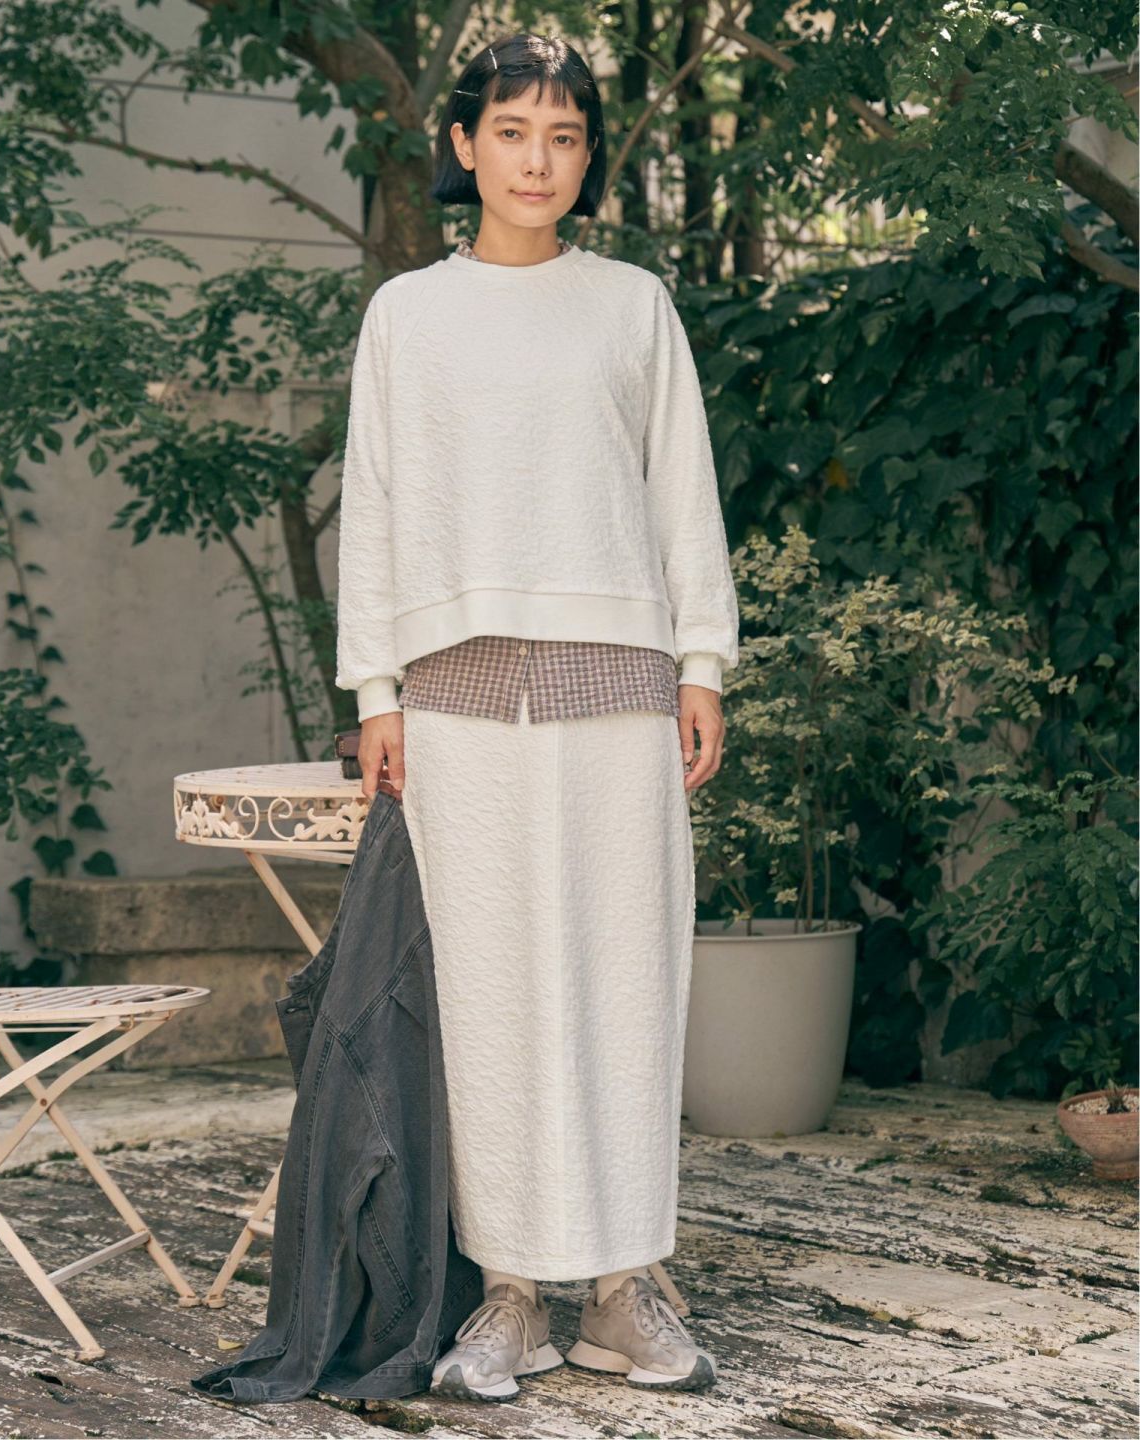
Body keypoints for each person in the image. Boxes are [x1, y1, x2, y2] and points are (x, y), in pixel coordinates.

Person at [335, 30, 739, 1402]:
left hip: (621, 686)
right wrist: (375, 690)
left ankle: (625, 1290)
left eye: (564, 136)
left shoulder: (633, 305)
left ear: (587, 156)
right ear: (464, 145)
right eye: (511, 131)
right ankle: (509, 1294)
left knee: (629, 980)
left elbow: (683, 488)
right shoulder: (408, 316)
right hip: (453, 698)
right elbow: (377, 505)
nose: (537, 159)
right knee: (488, 994)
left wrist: (702, 663)